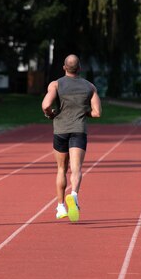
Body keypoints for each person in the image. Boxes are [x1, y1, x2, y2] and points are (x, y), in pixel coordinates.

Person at [41, 54, 102, 222]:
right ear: (79, 68)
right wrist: (85, 112)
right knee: (77, 169)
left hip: (60, 130)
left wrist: (50, 113)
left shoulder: (56, 84)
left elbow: (46, 105)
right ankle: (74, 195)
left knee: (61, 169)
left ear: (64, 67)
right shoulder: (90, 87)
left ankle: (61, 207)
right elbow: (97, 113)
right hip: (78, 130)